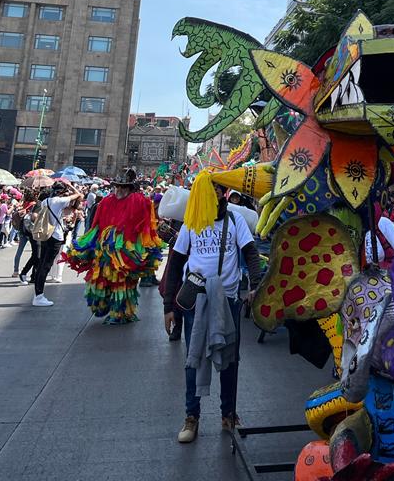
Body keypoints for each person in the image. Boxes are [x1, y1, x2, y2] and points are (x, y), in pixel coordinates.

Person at [162, 170, 264, 444]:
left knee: (230, 359)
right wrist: (168, 306)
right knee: (193, 358)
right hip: (195, 302)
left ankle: (228, 414)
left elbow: (251, 253)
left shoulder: (235, 221)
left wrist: (255, 284)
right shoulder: (191, 224)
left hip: (228, 301)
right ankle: (191, 416)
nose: (217, 195)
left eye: (220, 191)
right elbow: (175, 265)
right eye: (212, 191)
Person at [65, 168, 161, 322]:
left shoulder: (139, 201)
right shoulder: (106, 201)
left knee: (123, 282)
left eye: (123, 187)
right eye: (117, 186)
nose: (119, 190)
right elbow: (96, 225)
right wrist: (87, 244)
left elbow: (144, 226)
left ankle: (121, 312)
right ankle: (102, 304)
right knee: (100, 279)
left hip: (126, 253)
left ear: (130, 188)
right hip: (104, 250)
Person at [31, 181, 80, 307]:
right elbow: (78, 194)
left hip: (46, 235)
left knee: (42, 264)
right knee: (46, 266)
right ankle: (39, 296)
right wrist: (70, 186)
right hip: (56, 236)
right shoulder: (59, 201)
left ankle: (37, 294)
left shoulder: (45, 201)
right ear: (61, 192)